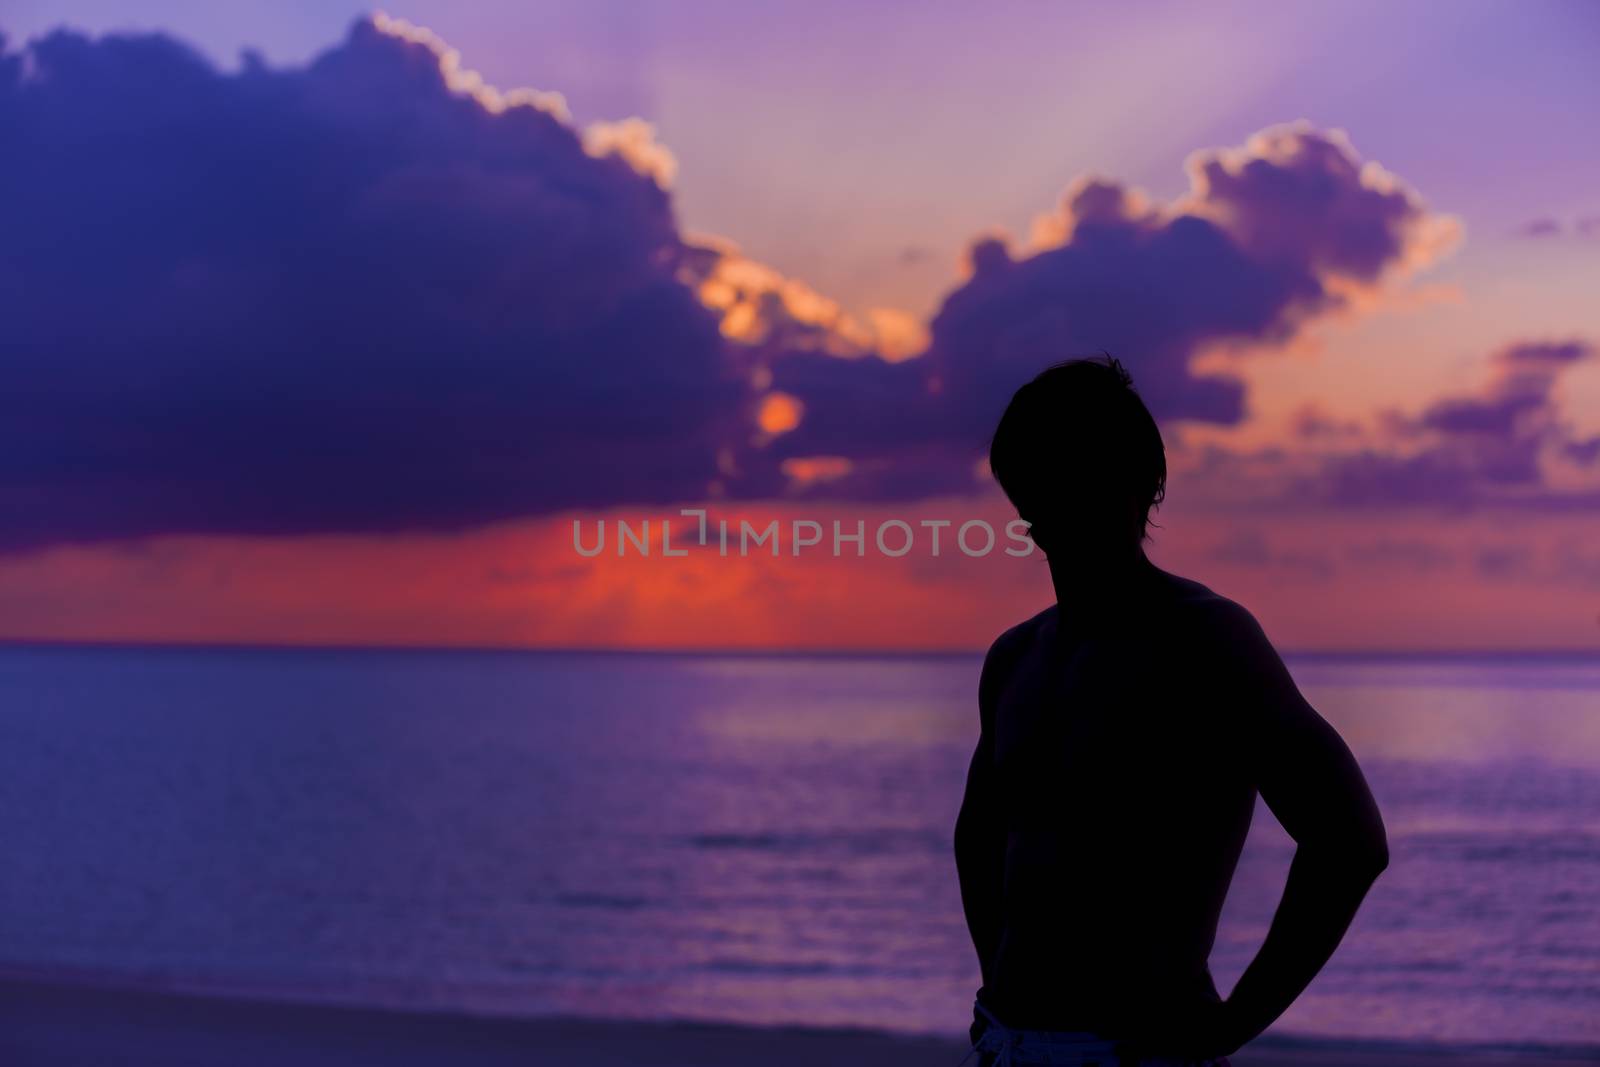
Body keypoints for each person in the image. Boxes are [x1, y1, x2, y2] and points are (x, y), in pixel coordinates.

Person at [953, 356, 1389, 1066]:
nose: (1065, 500)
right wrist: (993, 986)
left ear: (1144, 486)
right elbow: (980, 836)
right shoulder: (1016, 657)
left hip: (1140, 1049)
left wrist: (1229, 1028)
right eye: (1045, 479)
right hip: (1008, 1043)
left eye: (1090, 476)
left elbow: (1349, 840)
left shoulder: (1208, 640)